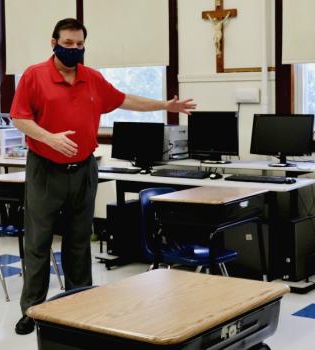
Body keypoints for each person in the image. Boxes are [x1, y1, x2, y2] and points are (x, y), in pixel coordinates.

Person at [10, 18, 196, 335]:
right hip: (45, 169)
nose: (74, 49)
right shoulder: (34, 76)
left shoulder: (92, 79)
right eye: (68, 43)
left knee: (79, 241)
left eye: (80, 44)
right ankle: (33, 310)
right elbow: (19, 118)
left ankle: (80, 305)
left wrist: (165, 105)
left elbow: (125, 99)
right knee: (38, 243)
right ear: (53, 43)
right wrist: (48, 137)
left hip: (83, 169)